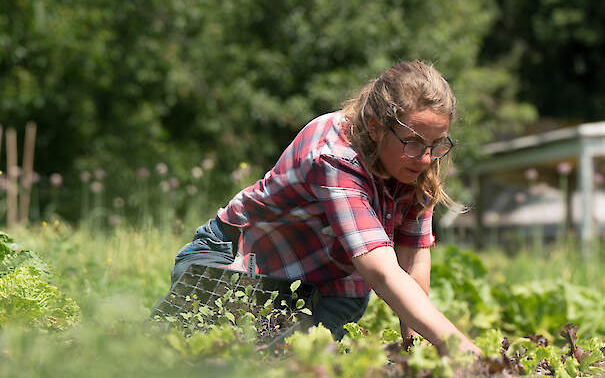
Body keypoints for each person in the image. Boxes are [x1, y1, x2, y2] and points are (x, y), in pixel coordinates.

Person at [171, 60, 480, 356]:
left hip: (323, 290)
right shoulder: (335, 155)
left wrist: (418, 342)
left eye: (437, 144)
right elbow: (382, 270)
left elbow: (412, 254)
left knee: (299, 364)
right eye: (413, 142)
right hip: (237, 264)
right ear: (375, 127)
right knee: (211, 353)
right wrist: (454, 344)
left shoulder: (417, 160)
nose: (427, 158)